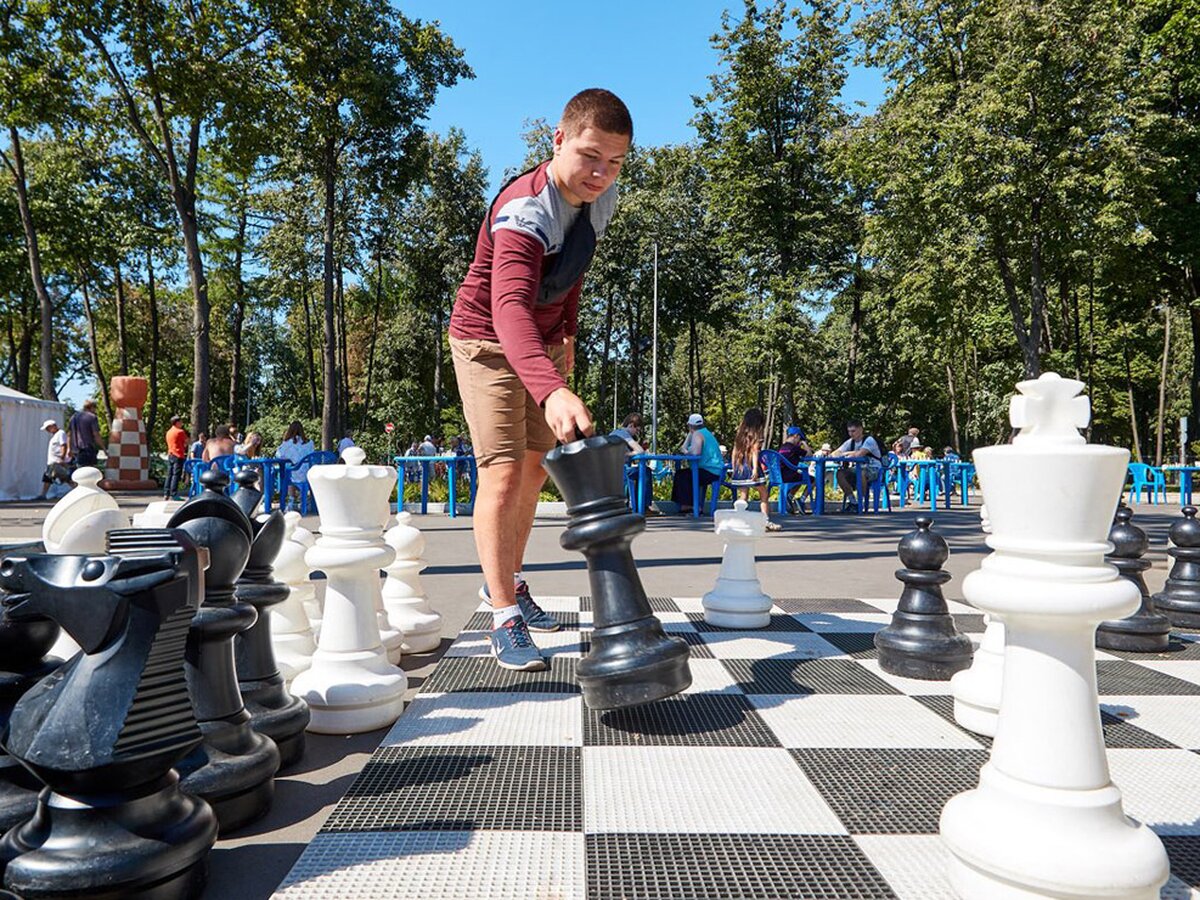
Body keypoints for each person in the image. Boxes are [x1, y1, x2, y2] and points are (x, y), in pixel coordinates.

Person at [448, 88, 630, 671]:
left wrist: (567, 342)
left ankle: (513, 581)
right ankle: (502, 614)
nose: (602, 173)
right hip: (487, 341)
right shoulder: (524, 212)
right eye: (590, 155)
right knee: (501, 473)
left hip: (543, 346)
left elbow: (572, 272)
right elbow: (509, 310)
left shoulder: (598, 197)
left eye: (616, 161)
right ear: (557, 140)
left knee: (534, 469)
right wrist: (550, 387)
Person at [728, 409, 781, 532]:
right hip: (751, 466)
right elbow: (755, 452)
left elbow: (734, 451)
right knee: (763, 494)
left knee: (744, 495)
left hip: (740, 466)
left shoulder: (740, 434)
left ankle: (739, 518)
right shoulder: (756, 434)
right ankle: (765, 520)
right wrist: (755, 469)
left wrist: (733, 466)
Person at [671, 413, 725, 514]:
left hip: (709, 471)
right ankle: (688, 505)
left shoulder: (697, 434)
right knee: (684, 474)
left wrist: (686, 452)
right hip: (716, 470)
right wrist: (690, 434)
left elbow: (696, 453)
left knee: (682, 475)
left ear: (690, 426)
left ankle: (691, 506)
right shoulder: (705, 433)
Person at [611, 413, 662, 517]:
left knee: (637, 471)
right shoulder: (625, 435)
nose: (636, 433)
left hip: (611, 470)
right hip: (622, 470)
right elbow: (640, 451)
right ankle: (644, 507)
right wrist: (628, 454)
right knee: (645, 471)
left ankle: (636, 504)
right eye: (637, 430)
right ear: (631, 425)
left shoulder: (613, 433)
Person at [831, 419, 883, 511]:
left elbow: (859, 454)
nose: (851, 434)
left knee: (861, 473)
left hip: (874, 469)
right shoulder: (850, 442)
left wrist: (845, 454)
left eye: (853, 431)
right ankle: (853, 502)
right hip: (857, 468)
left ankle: (860, 502)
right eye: (849, 431)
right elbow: (836, 452)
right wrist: (837, 453)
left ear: (860, 429)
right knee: (840, 474)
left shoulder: (869, 440)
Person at [276, 421, 315, 510]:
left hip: (295, 473)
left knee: (289, 472)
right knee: (293, 471)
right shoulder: (310, 443)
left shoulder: (288, 444)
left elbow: (279, 455)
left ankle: (291, 500)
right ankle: (304, 500)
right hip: (308, 473)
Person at [777, 425, 813, 515]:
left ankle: (789, 497)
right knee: (813, 479)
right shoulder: (794, 448)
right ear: (796, 436)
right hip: (789, 476)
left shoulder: (782, 447)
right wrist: (804, 444)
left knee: (800, 477)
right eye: (799, 439)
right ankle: (801, 500)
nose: (799, 442)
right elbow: (809, 455)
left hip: (779, 476)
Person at [38, 419, 70, 499]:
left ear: (53, 426)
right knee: (48, 477)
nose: (48, 430)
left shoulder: (61, 433)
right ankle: (43, 494)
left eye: (48, 428)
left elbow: (64, 445)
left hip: (57, 461)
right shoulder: (55, 435)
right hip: (53, 461)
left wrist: (62, 458)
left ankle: (77, 489)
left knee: (64, 478)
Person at [67, 399, 102, 468]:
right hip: (87, 449)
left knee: (79, 472)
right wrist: (103, 448)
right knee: (90, 471)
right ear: (92, 407)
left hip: (76, 450)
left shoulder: (73, 417)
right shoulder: (92, 417)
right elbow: (96, 435)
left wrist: (69, 449)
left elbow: (69, 434)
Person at [164, 415, 189, 500]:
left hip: (170, 454)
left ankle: (166, 493)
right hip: (178, 454)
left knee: (169, 474)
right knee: (176, 475)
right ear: (177, 422)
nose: (182, 423)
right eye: (181, 422)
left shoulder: (168, 432)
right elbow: (186, 442)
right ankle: (173, 494)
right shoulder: (180, 432)